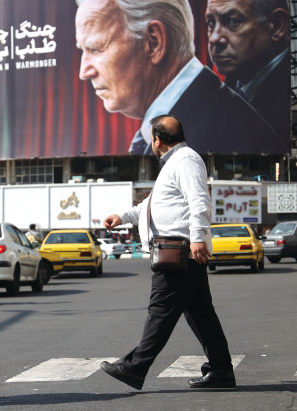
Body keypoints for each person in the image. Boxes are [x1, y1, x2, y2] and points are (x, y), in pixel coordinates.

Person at [75, 0, 284, 156]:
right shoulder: (192, 117)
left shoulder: (222, 131)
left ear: (154, 42)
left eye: (95, 49)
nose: (84, 72)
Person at [100, 115, 235, 391]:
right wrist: (122, 216)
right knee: (201, 314)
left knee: (160, 311)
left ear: (157, 140)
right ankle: (221, 370)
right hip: (181, 251)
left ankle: (135, 367)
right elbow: (149, 206)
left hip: (177, 251)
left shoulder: (185, 160)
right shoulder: (174, 163)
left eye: (152, 137)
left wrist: (198, 237)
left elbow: (200, 199)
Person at [206, 0, 290, 142]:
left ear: (276, 25)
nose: (214, 38)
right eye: (211, 22)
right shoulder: (230, 85)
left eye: (232, 21)